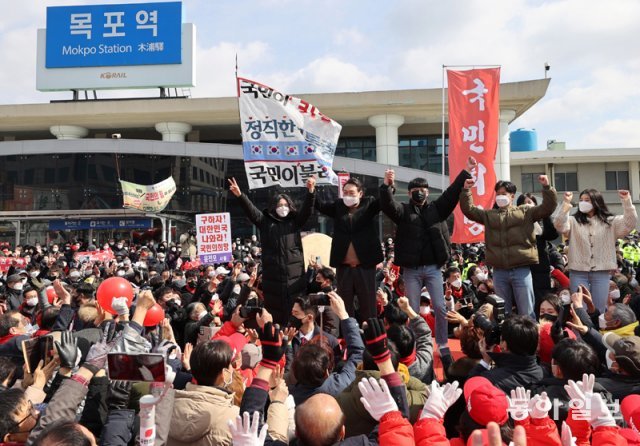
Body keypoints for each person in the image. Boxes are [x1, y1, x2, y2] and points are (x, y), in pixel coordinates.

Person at [379, 156, 475, 353]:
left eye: (423, 190)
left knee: (440, 307)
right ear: (409, 193)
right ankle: (413, 344)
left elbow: (451, 194)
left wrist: (466, 170)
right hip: (411, 270)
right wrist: (387, 186)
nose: (420, 194)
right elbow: (388, 205)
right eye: (415, 191)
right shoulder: (403, 212)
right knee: (411, 309)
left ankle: (441, 343)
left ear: (428, 192)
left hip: (433, 268)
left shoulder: (437, 209)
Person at [460, 175, 557, 318]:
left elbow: (548, 207)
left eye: (503, 194)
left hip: (521, 269)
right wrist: (466, 190)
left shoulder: (526, 211)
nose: (500, 197)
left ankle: (529, 338)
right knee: (502, 312)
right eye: (498, 194)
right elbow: (469, 210)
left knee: (527, 311)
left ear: (512, 196)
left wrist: (547, 187)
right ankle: (505, 338)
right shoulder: (489, 215)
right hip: (499, 271)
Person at [228, 176, 315, 325]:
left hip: (295, 280)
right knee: (276, 319)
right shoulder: (265, 222)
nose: (283, 207)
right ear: (274, 207)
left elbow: (307, 210)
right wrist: (240, 195)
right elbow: (252, 212)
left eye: (285, 204)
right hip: (273, 280)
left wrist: (311, 192)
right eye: (280, 205)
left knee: (296, 316)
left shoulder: (295, 222)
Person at [554, 188, 637, 312]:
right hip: (578, 272)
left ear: (596, 201)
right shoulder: (573, 221)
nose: (583, 202)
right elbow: (559, 225)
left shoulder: (610, 222)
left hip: (601, 272)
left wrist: (627, 201)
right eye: (581, 200)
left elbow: (629, 223)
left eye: (587, 200)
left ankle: (596, 330)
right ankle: (581, 330)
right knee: (580, 307)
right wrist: (566, 204)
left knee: (599, 308)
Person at [315, 177, 383, 322]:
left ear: (360, 193)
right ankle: (348, 338)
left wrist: (389, 185)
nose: (348, 196)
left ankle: (370, 338)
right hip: (344, 267)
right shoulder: (339, 206)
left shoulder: (369, 203)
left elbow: (385, 201)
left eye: (351, 193)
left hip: (365, 266)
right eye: (345, 192)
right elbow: (320, 205)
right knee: (344, 306)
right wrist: (311, 190)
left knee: (368, 307)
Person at [516, 192, 559, 309]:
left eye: (529, 203)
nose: (527, 206)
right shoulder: (514, 223)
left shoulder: (541, 222)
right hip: (521, 268)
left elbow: (552, 234)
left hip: (540, 270)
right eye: (523, 203)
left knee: (541, 302)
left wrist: (545, 214)